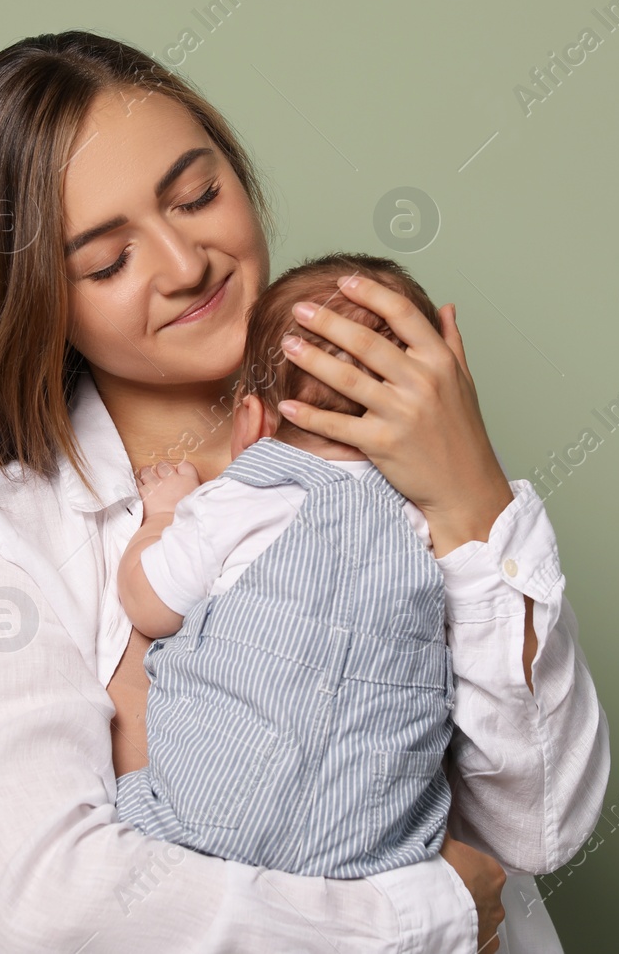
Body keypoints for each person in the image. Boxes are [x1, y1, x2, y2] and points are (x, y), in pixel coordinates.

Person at [0, 30, 610, 954]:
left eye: (198, 196)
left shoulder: (390, 461)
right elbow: (49, 904)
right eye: (108, 262)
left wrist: (473, 501)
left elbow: (538, 825)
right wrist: (413, 920)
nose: (185, 263)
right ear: (34, 302)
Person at [113, 254, 466, 880]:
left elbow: (149, 603)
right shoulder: (430, 526)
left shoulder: (244, 497)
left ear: (252, 421)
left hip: (198, 825)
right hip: (373, 854)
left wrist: (166, 515)